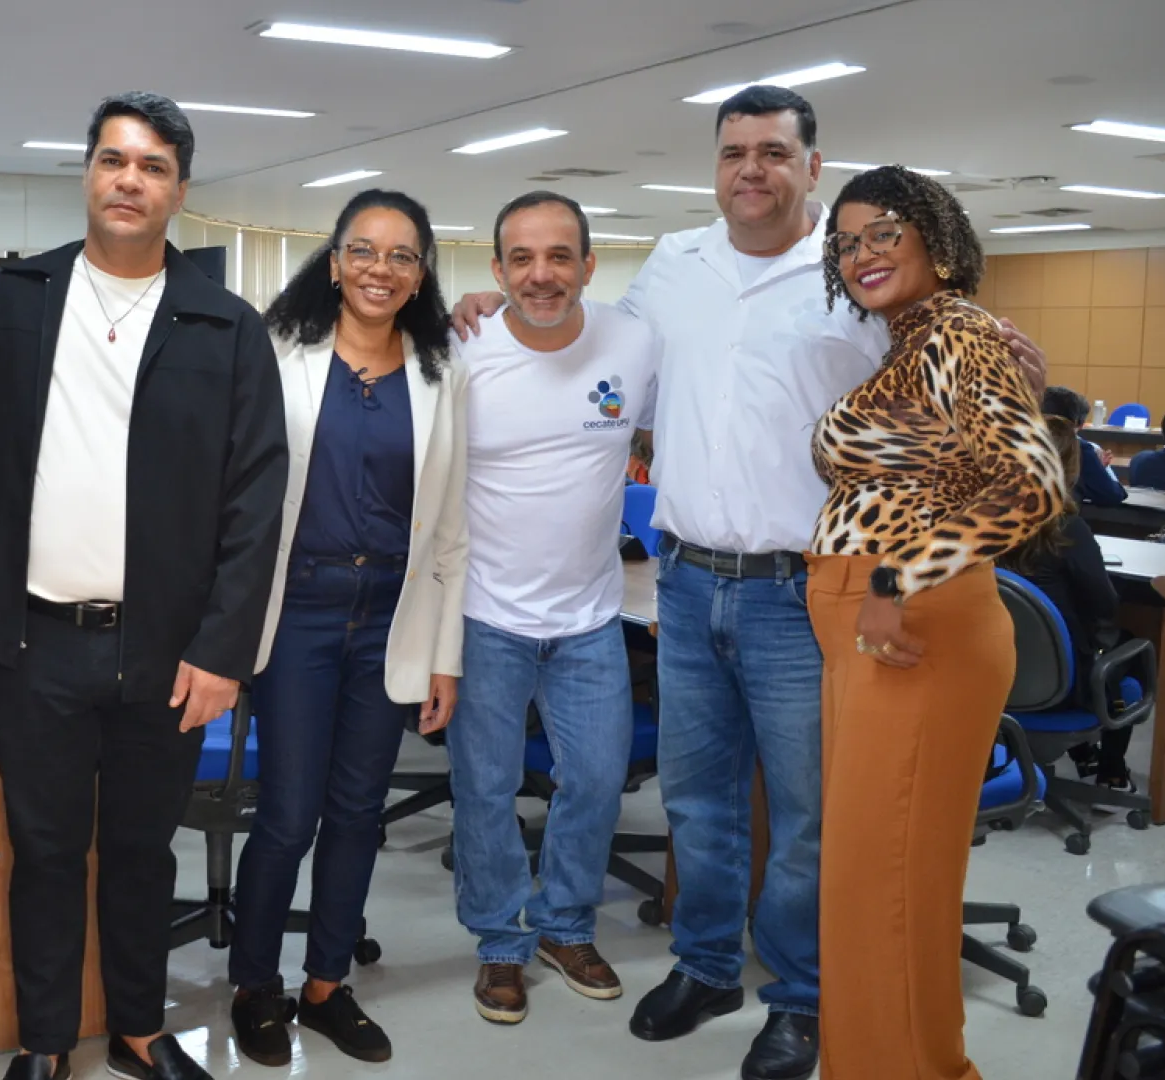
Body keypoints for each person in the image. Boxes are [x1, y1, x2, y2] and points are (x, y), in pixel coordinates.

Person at [449, 86, 1048, 1080]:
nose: (751, 171)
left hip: (803, 588)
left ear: (811, 166)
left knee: (806, 815)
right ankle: (706, 966)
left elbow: (968, 418)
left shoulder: (856, 278)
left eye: (773, 152)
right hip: (686, 581)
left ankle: (803, 997)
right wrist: (487, 309)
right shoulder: (675, 264)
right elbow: (588, 337)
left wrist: (1010, 387)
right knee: (699, 800)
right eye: (734, 153)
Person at [0, 91, 286, 1080]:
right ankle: (45, 1041)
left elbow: (257, 501)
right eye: (113, 160)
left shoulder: (226, 326)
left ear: (180, 189)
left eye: (153, 166)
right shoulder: (18, 297)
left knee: (141, 852)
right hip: (35, 639)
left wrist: (223, 651)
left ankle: (138, 1028)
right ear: (88, 172)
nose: (129, 180)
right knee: (44, 852)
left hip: (167, 653)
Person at [811, 164, 1064, 1080]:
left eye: (883, 231)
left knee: (883, 888)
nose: (862, 253)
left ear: (937, 238)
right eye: (846, 242)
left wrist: (895, 576)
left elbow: (1034, 484)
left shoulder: (956, 330)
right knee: (872, 883)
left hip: (914, 624)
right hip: (868, 623)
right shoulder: (910, 341)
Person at [227, 188, 467, 1067]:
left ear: (421, 274)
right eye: (363, 250)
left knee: (359, 813)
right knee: (289, 815)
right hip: (298, 611)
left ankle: (327, 984)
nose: (380, 269)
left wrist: (446, 659)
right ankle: (256, 986)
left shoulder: (442, 372)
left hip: (391, 617)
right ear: (333, 263)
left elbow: (452, 530)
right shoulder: (277, 352)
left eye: (402, 255)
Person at [447, 191, 659, 1028]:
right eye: (523, 259)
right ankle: (500, 940)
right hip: (486, 615)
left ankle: (565, 927)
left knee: (598, 781)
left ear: (589, 265)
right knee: (486, 788)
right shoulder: (462, 346)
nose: (542, 275)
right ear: (497, 270)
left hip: (590, 619)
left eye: (560, 256)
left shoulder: (633, 342)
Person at [1001, 417, 1135, 793]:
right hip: (1064, 685)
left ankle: (1082, 753)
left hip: (996, 674)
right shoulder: (1065, 528)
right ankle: (1111, 771)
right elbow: (1104, 603)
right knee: (1131, 647)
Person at [1040, 386, 1127, 507]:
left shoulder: (1021, 442)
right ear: (1078, 424)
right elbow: (1113, 495)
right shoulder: (1081, 450)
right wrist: (1099, 469)